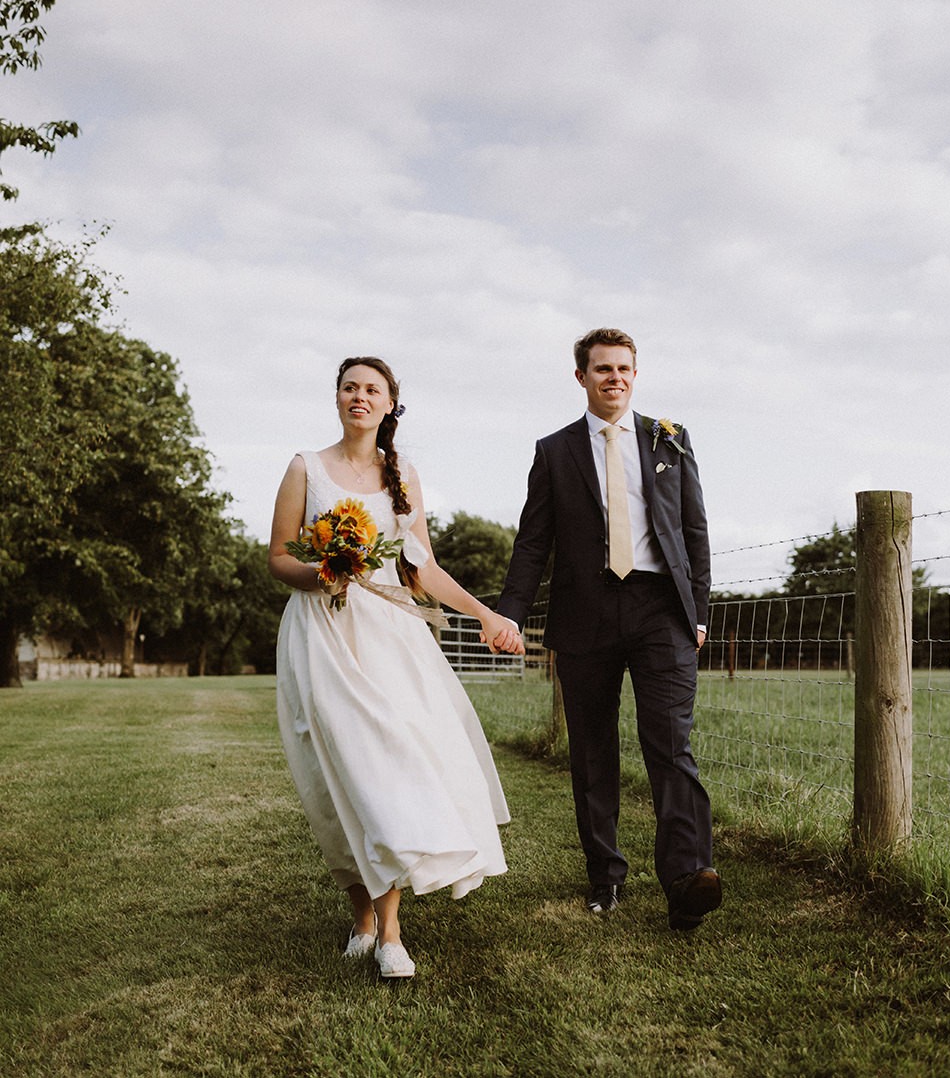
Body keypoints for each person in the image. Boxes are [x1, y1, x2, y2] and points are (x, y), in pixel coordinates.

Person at [268, 355, 523, 980]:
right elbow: (277, 557)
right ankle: (361, 915)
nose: (360, 396)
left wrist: (486, 615)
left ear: (389, 405)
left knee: (389, 767)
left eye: (372, 389)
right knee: (338, 776)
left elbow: (423, 570)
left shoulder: (402, 474)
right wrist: (325, 571)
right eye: (350, 386)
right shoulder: (306, 468)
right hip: (323, 634)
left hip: (391, 636)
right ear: (336, 398)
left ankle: (390, 931)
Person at [496, 328, 720, 931]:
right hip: (585, 611)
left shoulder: (669, 439)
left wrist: (697, 611)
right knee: (592, 751)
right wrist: (510, 613)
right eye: (602, 369)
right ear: (582, 378)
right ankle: (606, 877)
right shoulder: (554, 451)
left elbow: (695, 531)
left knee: (671, 744)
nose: (613, 378)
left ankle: (686, 879)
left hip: (661, 612)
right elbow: (533, 542)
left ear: (635, 375)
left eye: (623, 368)